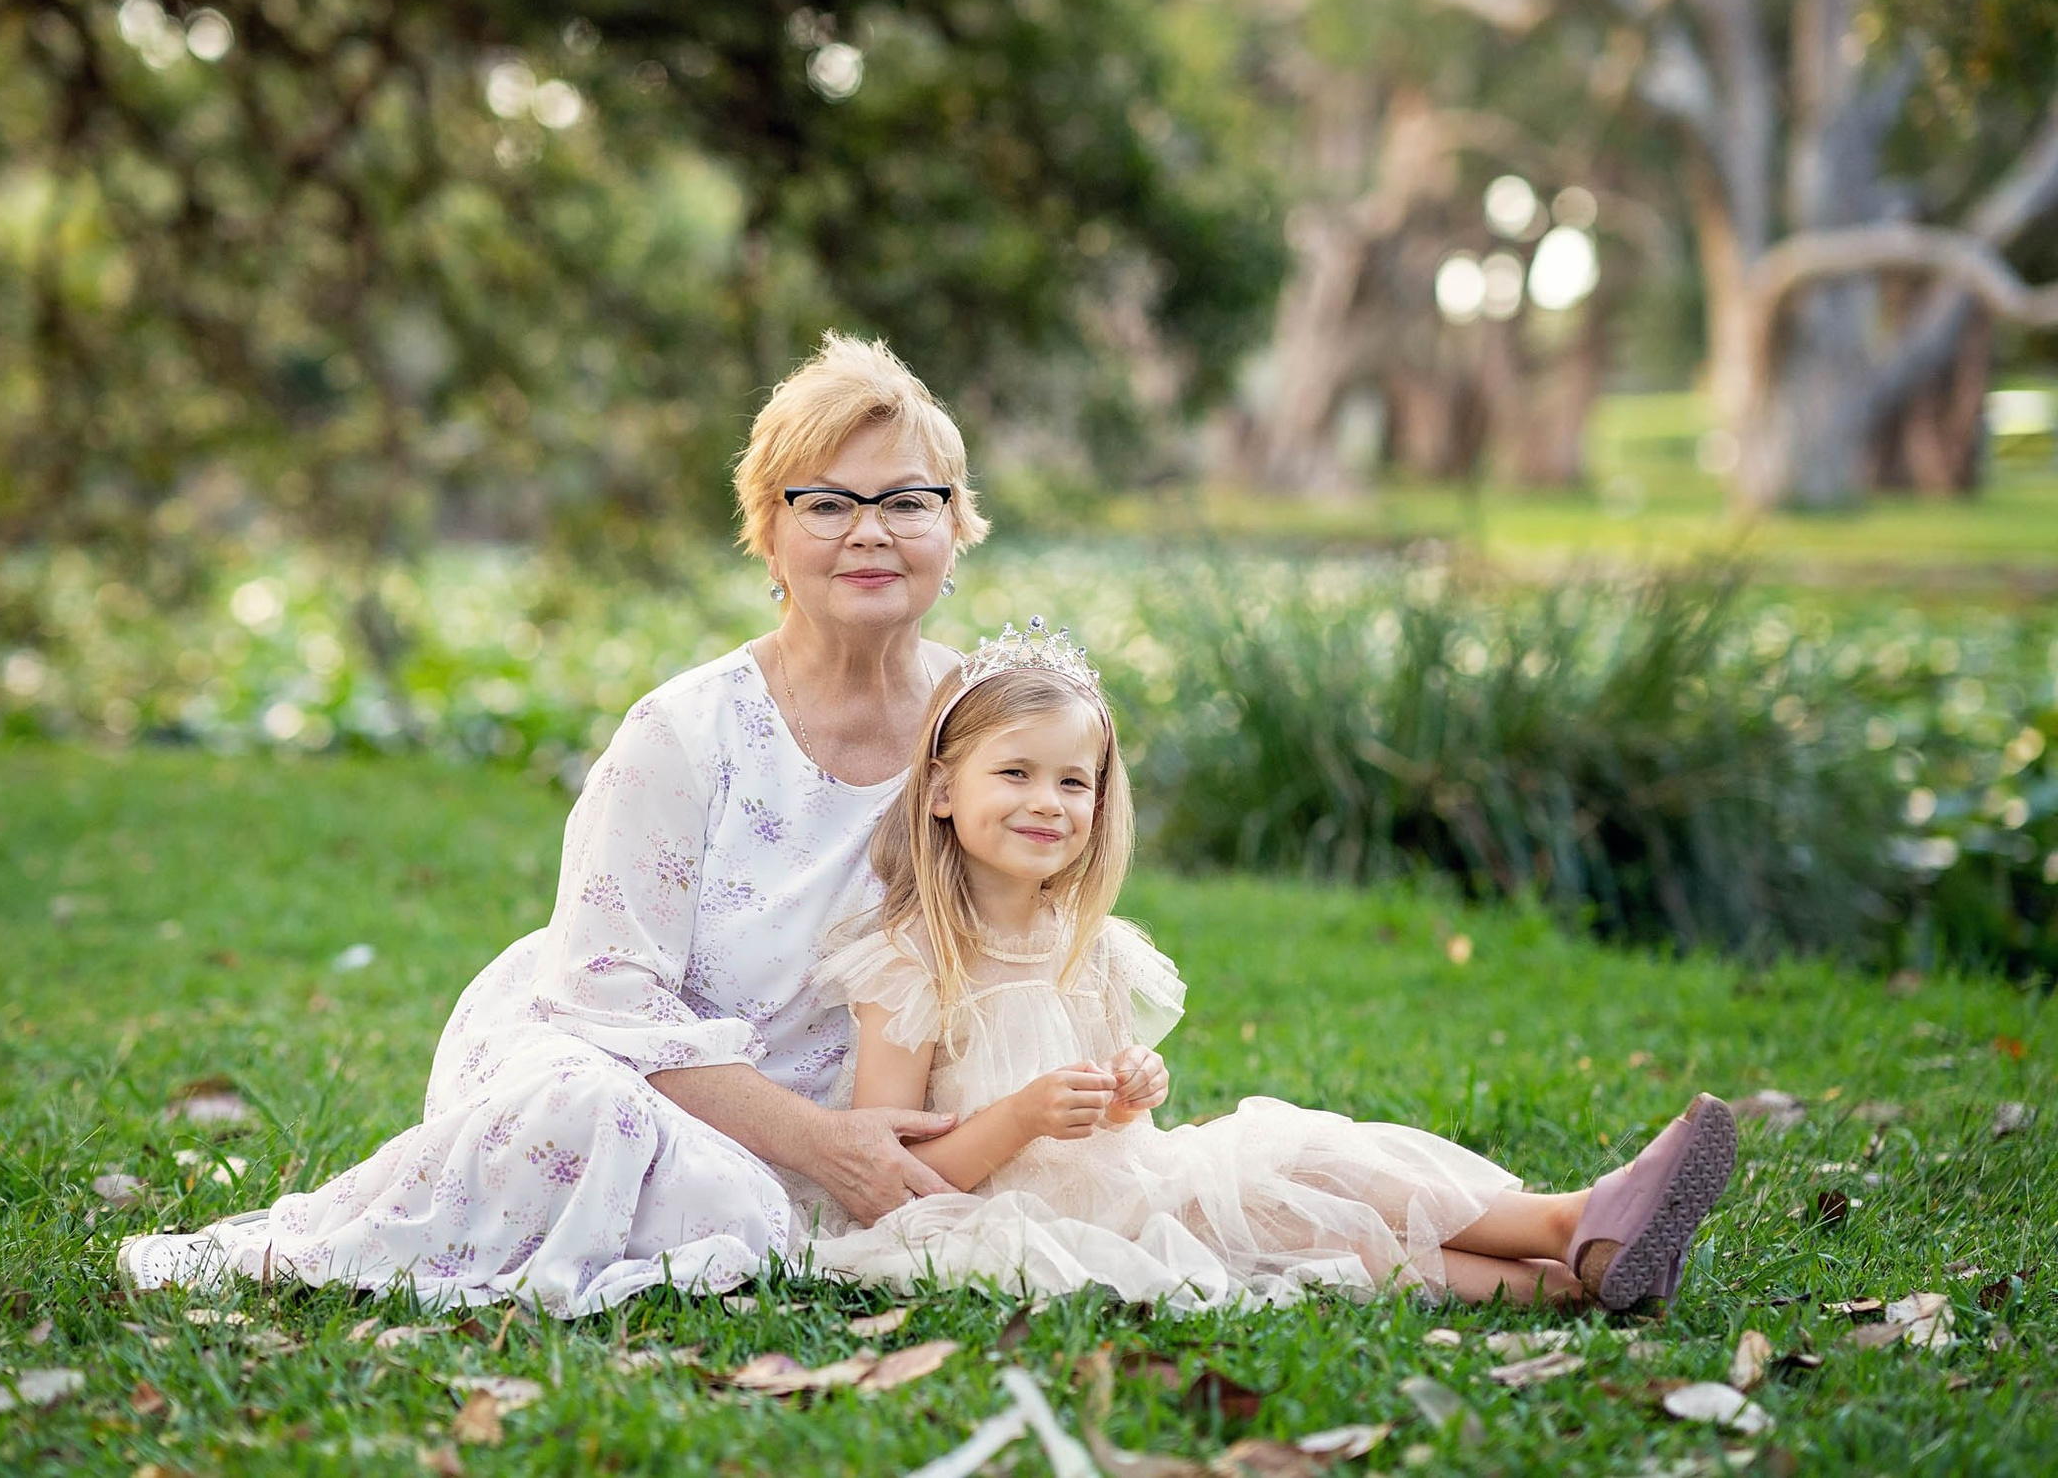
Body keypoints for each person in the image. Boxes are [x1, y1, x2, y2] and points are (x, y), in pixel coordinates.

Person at [118, 333, 991, 1313]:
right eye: (826, 502)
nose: (870, 531)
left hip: (872, 1109)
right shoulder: (686, 731)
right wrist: (821, 1144)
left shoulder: (990, 724)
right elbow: (607, 996)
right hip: (634, 1070)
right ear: (770, 535)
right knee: (598, 1123)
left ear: (955, 526)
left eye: (908, 500)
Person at [804, 620, 1738, 1312]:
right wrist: (1019, 1117)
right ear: (939, 789)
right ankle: (1569, 1273)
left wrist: (1132, 1089)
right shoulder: (908, 964)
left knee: (1310, 1161)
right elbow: (895, 1182)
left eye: (1073, 780)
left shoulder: (1092, 948)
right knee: (1307, 1236)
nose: (1046, 802)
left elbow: (1128, 1128)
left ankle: (1569, 1229)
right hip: (1012, 1222)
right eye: (1014, 773)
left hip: (1135, 1183)